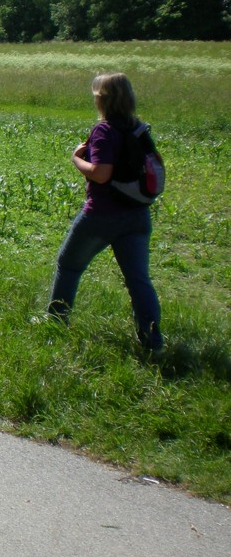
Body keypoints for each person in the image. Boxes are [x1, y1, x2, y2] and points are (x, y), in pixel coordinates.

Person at [45, 73, 163, 352]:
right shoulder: (138, 129)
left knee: (69, 265)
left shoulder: (105, 130)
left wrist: (76, 158)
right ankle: (152, 342)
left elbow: (100, 174)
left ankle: (55, 322)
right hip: (137, 216)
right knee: (138, 280)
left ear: (102, 100)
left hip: (101, 215)